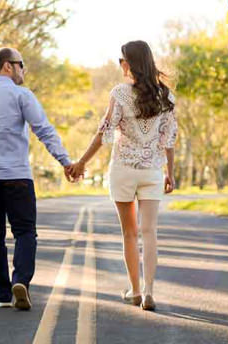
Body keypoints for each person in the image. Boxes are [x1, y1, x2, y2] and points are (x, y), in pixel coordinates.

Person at [0, 47, 78, 311]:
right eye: (21, 64)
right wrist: (66, 162)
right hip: (17, 178)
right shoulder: (22, 95)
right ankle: (20, 280)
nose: (24, 70)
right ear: (7, 66)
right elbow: (43, 130)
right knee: (24, 232)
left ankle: (2, 295)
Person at [71, 41, 178, 312]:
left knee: (129, 233)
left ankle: (135, 290)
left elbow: (104, 132)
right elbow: (169, 140)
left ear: (129, 63)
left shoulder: (119, 94)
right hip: (152, 172)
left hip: (123, 172)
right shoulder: (166, 96)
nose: (120, 65)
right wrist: (170, 173)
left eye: (121, 60)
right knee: (150, 232)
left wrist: (82, 162)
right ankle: (150, 291)